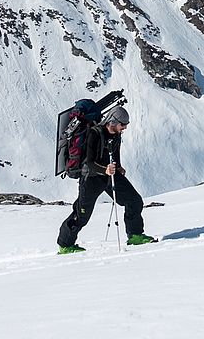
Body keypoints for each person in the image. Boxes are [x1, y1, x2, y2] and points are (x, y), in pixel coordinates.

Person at [56, 107, 157, 253]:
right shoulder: (94, 134)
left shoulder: (116, 135)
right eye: (123, 124)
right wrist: (105, 170)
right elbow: (89, 162)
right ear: (113, 122)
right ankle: (65, 245)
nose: (125, 128)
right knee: (82, 214)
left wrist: (119, 167)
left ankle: (135, 235)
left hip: (110, 175)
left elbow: (115, 153)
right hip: (91, 178)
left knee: (134, 200)